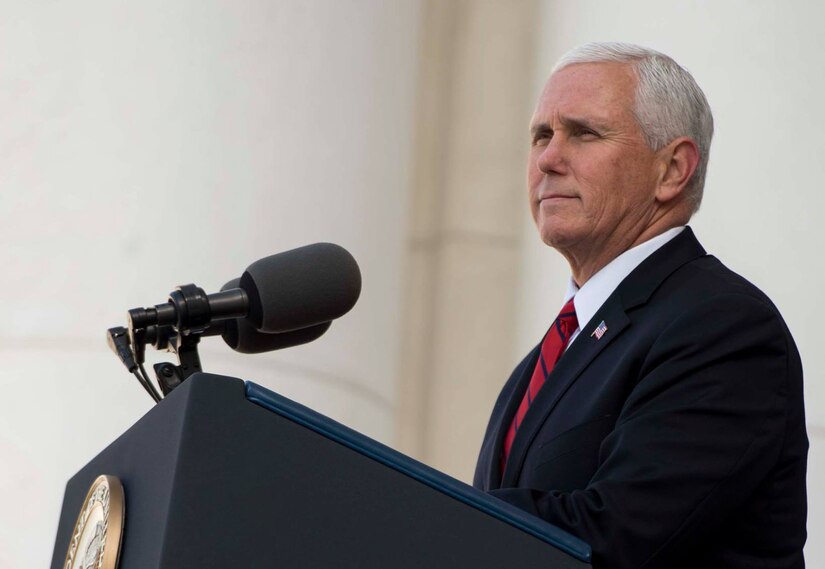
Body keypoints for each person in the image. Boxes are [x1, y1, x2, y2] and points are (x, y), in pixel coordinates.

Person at [473, 42, 807, 569]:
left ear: (672, 169)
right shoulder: (541, 362)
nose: (548, 159)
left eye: (583, 133)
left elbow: (616, 538)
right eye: (541, 135)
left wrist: (407, 515)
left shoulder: (724, 327)